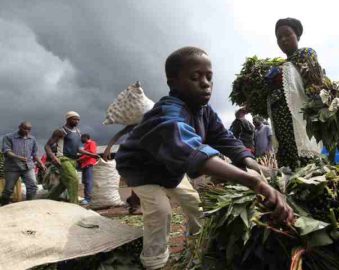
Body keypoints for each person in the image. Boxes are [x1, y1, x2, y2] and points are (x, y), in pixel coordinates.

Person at [115, 47, 293, 270]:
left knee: (194, 204)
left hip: (170, 168)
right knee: (160, 211)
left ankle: (197, 245)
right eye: (195, 77)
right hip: (142, 168)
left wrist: (250, 162)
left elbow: (224, 138)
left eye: (209, 77)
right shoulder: (169, 114)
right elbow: (191, 149)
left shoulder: (204, 111)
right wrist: (254, 182)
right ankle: (154, 262)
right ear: (173, 82)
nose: (205, 83)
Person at [264, 18, 323, 170]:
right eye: (279, 37)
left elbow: (314, 83)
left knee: (304, 163)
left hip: (297, 118)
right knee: (286, 164)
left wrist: (317, 110)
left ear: (297, 35)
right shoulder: (277, 66)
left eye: (287, 35)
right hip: (280, 122)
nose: (283, 39)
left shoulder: (305, 54)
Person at [45, 111, 97, 204]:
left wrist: (91, 154)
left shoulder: (78, 132)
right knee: (74, 179)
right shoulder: (61, 131)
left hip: (73, 161)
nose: (77, 121)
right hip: (63, 159)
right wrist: (53, 158)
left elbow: (78, 149)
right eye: (74, 119)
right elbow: (47, 146)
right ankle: (74, 204)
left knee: (64, 184)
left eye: (78, 120)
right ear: (68, 119)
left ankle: (47, 200)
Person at [1, 121, 46, 205]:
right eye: (24, 128)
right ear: (19, 127)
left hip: (28, 167)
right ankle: (3, 206)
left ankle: (28, 205)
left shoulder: (32, 139)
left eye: (29, 129)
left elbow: (35, 153)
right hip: (12, 168)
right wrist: (18, 157)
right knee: (8, 189)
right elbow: (7, 151)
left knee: (32, 186)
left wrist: (41, 164)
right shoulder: (9, 137)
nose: (26, 131)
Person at [103, 124, 141, 214]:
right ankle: (134, 205)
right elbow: (118, 134)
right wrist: (108, 148)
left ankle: (133, 200)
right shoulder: (134, 125)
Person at [78, 134, 98, 205]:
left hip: (89, 164)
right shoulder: (86, 145)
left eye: (82, 138)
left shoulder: (92, 143)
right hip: (85, 165)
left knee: (88, 182)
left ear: (86, 138)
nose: (81, 140)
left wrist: (80, 159)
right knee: (85, 182)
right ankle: (87, 197)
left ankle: (88, 199)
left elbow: (92, 154)